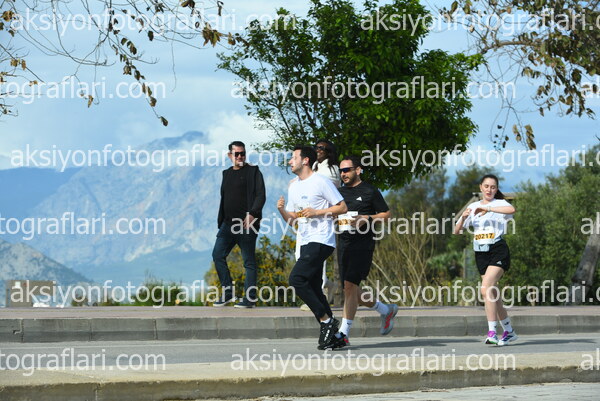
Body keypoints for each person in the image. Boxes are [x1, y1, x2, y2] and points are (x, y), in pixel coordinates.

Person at [277, 145, 347, 350]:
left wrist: (317, 212)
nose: (290, 161)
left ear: (305, 160)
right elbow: (293, 219)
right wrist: (282, 210)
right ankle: (334, 336)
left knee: (297, 279)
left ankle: (326, 321)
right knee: (314, 286)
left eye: (293, 157)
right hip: (306, 240)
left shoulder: (321, 181)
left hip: (322, 240)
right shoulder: (294, 186)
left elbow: (342, 207)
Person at [329, 156, 397, 349]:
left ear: (358, 170)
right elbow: (333, 213)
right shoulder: (338, 192)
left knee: (350, 286)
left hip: (363, 244)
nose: (343, 174)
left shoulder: (369, 191)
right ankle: (385, 310)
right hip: (343, 243)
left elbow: (386, 215)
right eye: (341, 171)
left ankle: (343, 334)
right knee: (350, 289)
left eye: (347, 170)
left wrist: (367, 218)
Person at [453, 174, 517, 346]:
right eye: (486, 186)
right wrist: (464, 217)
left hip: (498, 249)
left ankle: (492, 333)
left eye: (493, 187)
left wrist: (488, 209)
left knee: (486, 288)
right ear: (480, 187)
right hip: (481, 253)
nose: (489, 190)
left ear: (496, 189)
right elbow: (456, 231)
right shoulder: (473, 206)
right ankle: (509, 331)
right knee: (493, 293)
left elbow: (512, 210)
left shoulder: (500, 203)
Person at [212, 141, 266, 308]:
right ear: (230, 155)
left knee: (248, 262)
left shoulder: (253, 171)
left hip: (246, 224)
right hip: (227, 224)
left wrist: (253, 214)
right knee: (217, 255)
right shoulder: (226, 173)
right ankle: (228, 292)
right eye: (237, 154)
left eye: (243, 153)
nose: (240, 156)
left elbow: (261, 195)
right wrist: (221, 220)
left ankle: (250, 299)